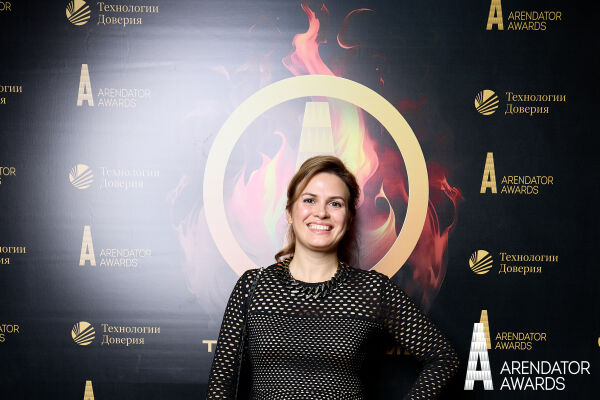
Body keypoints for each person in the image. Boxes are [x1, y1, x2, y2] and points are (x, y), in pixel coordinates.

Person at [207, 155, 459, 399]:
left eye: (335, 203)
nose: (321, 212)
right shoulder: (253, 286)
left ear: (348, 219)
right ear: (289, 213)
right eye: (309, 200)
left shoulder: (372, 290)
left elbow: (444, 358)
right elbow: (220, 385)